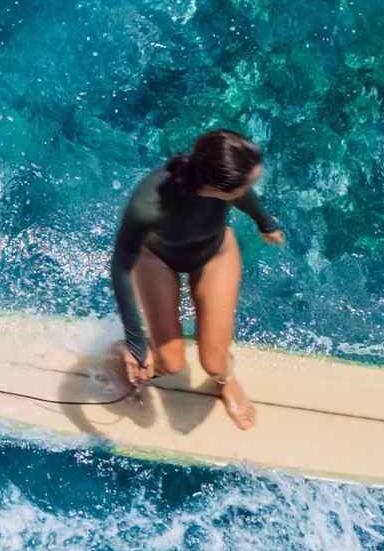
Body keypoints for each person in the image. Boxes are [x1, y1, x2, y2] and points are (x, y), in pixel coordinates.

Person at [109, 128, 284, 429]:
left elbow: (243, 197)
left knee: (215, 364)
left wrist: (264, 222)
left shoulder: (221, 182)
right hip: (157, 259)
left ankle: (226, 380)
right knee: (169, 363)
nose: (250, 188)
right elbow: (121, 267)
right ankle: (123, 350)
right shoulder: (147, 204)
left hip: (215, 253)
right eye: (246, 184)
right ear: (218, 187)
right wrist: (137, 342)